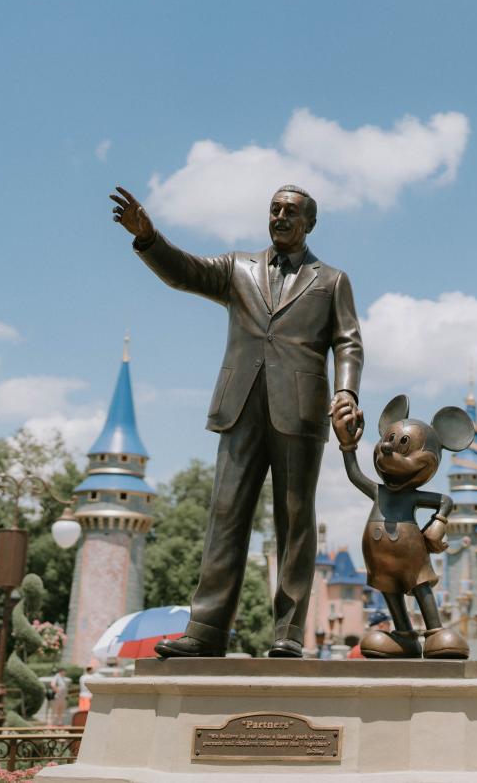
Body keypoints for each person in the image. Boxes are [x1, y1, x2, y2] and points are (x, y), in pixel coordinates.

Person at [112, 184, 364, 660]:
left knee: (294, 523)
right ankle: (206, 629)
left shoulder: (331, 280)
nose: (281, 217)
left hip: (301, 411)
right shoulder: (236, 268)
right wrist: (149, 238)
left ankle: (289, 632)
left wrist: (346, 391)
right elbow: (185, 272)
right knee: (225, 516)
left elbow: (348, 342)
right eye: (275, 209)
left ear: (309, 223)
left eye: (291, 212)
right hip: (239, 407)